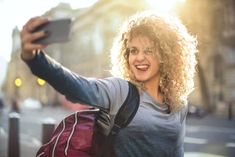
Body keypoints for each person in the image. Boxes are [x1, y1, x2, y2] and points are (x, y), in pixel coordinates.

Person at [20, 11, 197, 157]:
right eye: (133, 51)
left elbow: (177, 151)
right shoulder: (121, 91)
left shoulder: (178, 105)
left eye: (149, 50)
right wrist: (35, 59)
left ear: (166, 56)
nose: (139, 58)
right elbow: (75, 85)